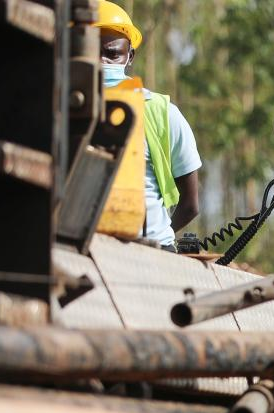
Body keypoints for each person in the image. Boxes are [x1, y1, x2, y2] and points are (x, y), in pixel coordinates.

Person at [94, 1, 201, 251]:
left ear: (130, 56)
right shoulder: (55, 106)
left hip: (148, 252)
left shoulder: (160, 112)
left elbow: (191, 204)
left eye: (112, 54)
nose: (101, 62)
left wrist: (159, 240)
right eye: (91, 52)